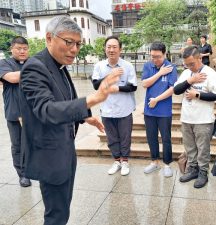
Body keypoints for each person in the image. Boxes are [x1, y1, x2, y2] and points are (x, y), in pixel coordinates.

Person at [19, 16, 121, 225]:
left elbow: (64, 99)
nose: (74, 49)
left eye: (78, 44)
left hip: (64, 149)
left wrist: (84, 116)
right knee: (56, 215)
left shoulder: (59, 64)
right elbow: (46, 109)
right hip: (50, 155)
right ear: (49, 38)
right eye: (68, 42)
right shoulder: (34, 67)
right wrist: (93, 99)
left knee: (63, 208)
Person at [174, 46, 216, 188]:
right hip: (186, 118)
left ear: (200, 58)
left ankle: (203, 172)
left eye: (192, 63)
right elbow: (177, 90)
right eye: (187, 64)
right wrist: (191, 80)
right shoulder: (186, 73)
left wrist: (198, 95)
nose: (190, 67)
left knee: (203, 148)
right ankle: (193, 169)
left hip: (203, 119)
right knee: (190, 147)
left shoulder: (210, 73)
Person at [91, 36, 137, 176]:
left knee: (125, 137)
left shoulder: (127, 66)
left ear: (120, 49)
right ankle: (117, 161)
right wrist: (110, 76)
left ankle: (125, 162)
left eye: (114, 47)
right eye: (108, 47)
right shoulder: (99, 66)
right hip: (106, 109)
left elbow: (133, 86)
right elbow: (95, 85)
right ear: (105, 49)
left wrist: (117, 88)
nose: (111, 50)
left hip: (124, 109)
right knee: (111, 138)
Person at [142, 42, 177, 177]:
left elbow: (172, 89)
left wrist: (157, 99)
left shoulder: (171, 67)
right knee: (151, 137)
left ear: (165, 54)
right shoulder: (148, 65)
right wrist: (160, 73)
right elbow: (145, 83)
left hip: (164, 111)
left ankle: (167, 164)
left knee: (166, 138)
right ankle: (154, 162)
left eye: (158, 57)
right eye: (152, 56)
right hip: (149, 110)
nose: (155, 60)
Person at [0, 36, 31, 187]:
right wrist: (36, 72)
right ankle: (23, 174)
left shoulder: (32, 62)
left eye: (25, 48)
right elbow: (12, 78)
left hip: (33, 111)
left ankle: (34, 169)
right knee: (17, 144)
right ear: (11, 49)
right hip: (14, 111)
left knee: (33, 142)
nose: (22, 51)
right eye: (19, 48)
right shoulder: (4, 63)